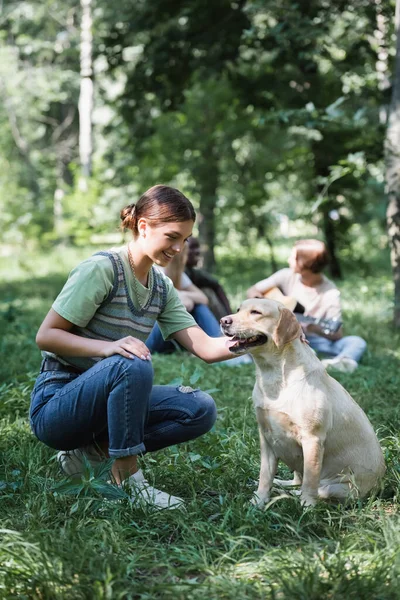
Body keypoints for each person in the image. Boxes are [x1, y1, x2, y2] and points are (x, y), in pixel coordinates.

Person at [30, 185, 243, 511]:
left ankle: (88, 456)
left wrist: (260, 338)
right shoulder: (102, 269)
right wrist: (108, 347)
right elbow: (47, 336)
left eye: (184, 239)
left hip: (108, 402)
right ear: (143, 226)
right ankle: (129, 482)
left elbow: (205, 347)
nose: (178, 248)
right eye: (172, 236)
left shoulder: (161, 287)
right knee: (131, 360)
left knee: (199, 407)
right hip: (58, 405)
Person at [246, 239, 367, 373]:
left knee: (356, 342)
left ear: (304, 263)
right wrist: (266, 305)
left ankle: (342, 362)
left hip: (314, 340)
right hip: (284, 335)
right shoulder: (286, 275)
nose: (288, 259)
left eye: (293, 257)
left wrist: (314, 328)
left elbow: (337, 334)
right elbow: (252, 290)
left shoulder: (330, 292)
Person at [146, 241, 222, 353]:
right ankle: (217, 343)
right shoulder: (157, 272)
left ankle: (217, 341)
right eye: (185, 254)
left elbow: (203, 298)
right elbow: (185, 304)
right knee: (181, 308)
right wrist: (182, 298)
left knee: (199, 306)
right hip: (150, 340)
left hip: (169, 339)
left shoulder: (180, 275)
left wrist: (183, 294)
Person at [185, 237, 232, 321]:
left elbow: (216, 285)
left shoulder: (193, 272)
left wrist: (229, 314)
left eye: (197, 247)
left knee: (208, 291)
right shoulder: (178, 273)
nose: (197, 251)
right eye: (192, 247)